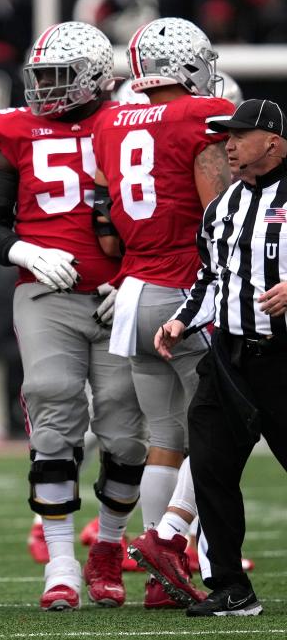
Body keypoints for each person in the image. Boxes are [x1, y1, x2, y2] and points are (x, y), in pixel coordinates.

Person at [0, 21, 147, 611]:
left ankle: (109, 550)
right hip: (46, 293)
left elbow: (161, 213)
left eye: (57, 78)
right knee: (50, 403)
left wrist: (137, 277)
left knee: (125, 428)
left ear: (97, 77)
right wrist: (23, 249)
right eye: (38, 77)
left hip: (124, 293)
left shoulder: (130, 122)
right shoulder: (11, 129)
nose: (43, 89)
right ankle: (62, 564)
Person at [90, 17, 235, 608]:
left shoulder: (109, 121)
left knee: (166, 437)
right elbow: (220, 218)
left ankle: (160, 580)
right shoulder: (200, 117)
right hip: (188, 291)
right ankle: (167, 542)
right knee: (222, 428)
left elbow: (106, 220)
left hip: (134, 293)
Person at [147, 98, 287, 617]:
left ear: (271, 141)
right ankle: (231, 586)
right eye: (226, 135)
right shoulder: (222, 205)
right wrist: (182, 319)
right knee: (209, 466)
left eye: (239, 135)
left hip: (282, 357)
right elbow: (211, 277)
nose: (227, 145)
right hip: (227, 357)